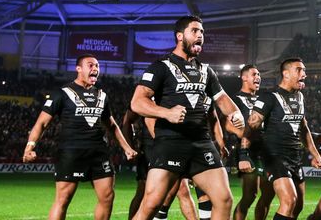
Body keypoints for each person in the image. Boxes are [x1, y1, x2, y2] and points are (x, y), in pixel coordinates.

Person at [130, 15, 244, 220]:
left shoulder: (206, 71)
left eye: (202, 32)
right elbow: (137, 102)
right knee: (151, 204)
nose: (200, 35)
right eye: (195, 31)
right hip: (171, 141)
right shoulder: (160, 66)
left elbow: (222, 98)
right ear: (180, 36)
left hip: (201, 143)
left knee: (224, 200)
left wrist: (235, 113)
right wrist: (166, 113)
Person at [23, 53, 137, 220]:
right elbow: (41, 123)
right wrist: (30, 146)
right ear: (78, 69)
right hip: (71, 152)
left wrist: (127, 148)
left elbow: (112, 125)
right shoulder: (62, 93)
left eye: (97, 66)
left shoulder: (102, 95)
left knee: (107, 197)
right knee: (63, 200)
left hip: (99, 153)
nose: (95, 69)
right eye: (90, 65)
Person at [242, 57, 321, 220]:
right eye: (299, 70)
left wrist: (315, 154)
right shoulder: (269, 96)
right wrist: (243, 154)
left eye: (305, 70)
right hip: (274, 157)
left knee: (298, 206)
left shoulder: (300, 97)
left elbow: (304, 129)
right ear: (286, 74)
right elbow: (251, 125)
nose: (304, 74)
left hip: (295, 157)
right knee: (289, 201)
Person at [121, 107, 197, 220]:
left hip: (173, 145)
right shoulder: (146, 94)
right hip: (150, 149)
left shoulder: (175, 93)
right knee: (143, 192)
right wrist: (130, 147)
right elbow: (127, 121)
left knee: (183, 189)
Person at [233, 64, 275, 220]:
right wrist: (242, 134)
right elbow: (226, 122)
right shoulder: (235, 99)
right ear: (244, 77)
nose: (258, 77)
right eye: (254, 74)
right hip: (249, 149)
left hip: (267, 149)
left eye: (259, 75)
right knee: (250, 195)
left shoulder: (265, 97)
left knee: (269, 193)